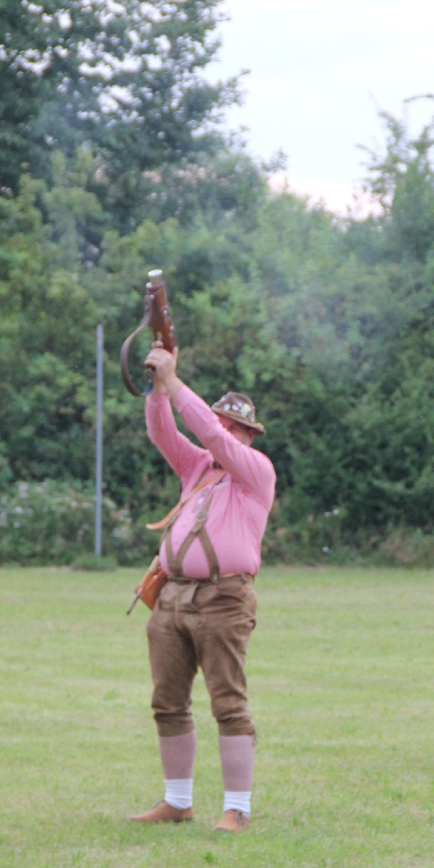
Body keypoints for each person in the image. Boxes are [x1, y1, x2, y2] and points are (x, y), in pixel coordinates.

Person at [130, 344, 276, 832]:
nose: (226, 432)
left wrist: (174, 380)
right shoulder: (199, 468)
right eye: (224, 423)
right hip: (172, 594)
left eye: (237, 429)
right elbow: (162, 431)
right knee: (167, 702)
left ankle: (237, 808)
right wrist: (158, 387)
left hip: (223, 597)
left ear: (250, 437)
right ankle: (177, 801)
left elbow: (207, 431)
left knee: (228, 704)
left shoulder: (257, 470)